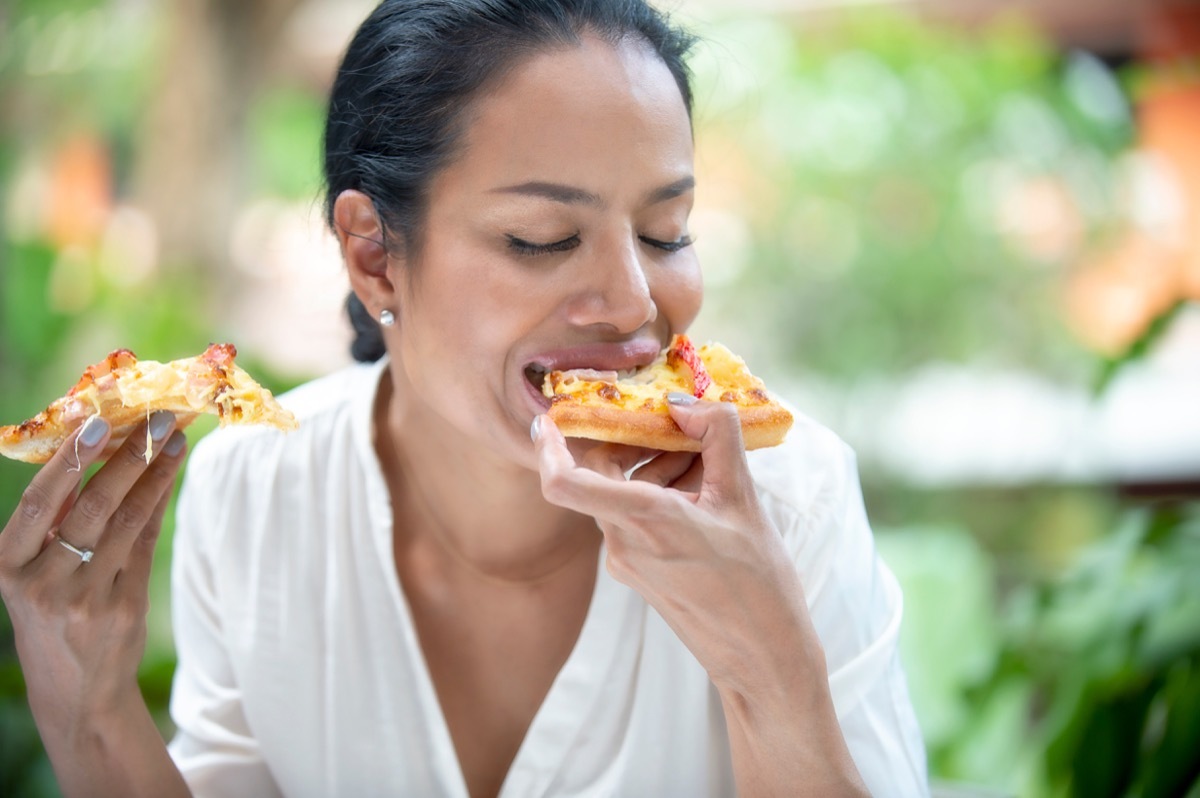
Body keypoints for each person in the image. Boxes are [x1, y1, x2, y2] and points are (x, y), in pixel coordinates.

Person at [0, 1, 929, 796]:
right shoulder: (256, 491)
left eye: (666, 230)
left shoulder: (786, 500)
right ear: (373, 253)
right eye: (541, 238)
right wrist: (88, 710)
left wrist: (769, 666)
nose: (637, 302)